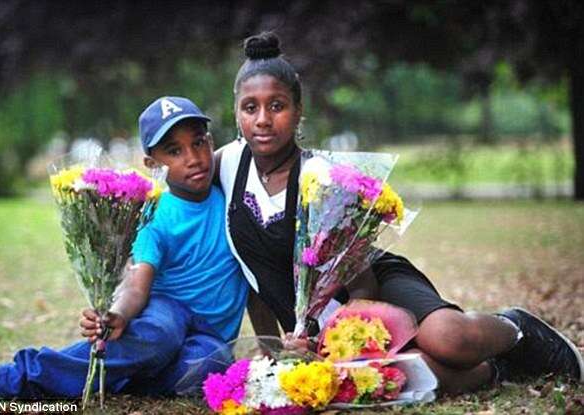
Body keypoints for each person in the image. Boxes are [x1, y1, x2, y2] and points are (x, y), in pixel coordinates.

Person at [216, 32, 583, 394]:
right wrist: (278, 351)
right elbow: (183, 187)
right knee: (404, 375)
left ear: (298, 112)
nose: (263, 119)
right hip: (309, 332)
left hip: (370, 292)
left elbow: (362, 287)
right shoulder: (226, 165)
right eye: (251, 107)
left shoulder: (325, 179)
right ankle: (494, 369)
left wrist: (345, 338)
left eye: (277, 105)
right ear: (237, 113)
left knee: (448, 339)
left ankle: (518, 329)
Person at [0, 96, 248, 400]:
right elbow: (136, 283)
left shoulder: (232, 195)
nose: (193, 158)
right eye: (174, 151)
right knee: (157, 337)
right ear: (152, 164)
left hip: (210, 334)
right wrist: (117, 313)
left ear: (210, 142)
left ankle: (123, 376)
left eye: (198, 143)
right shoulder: (155, 214)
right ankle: (12, 378)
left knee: (207, 367)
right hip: (165, 313)